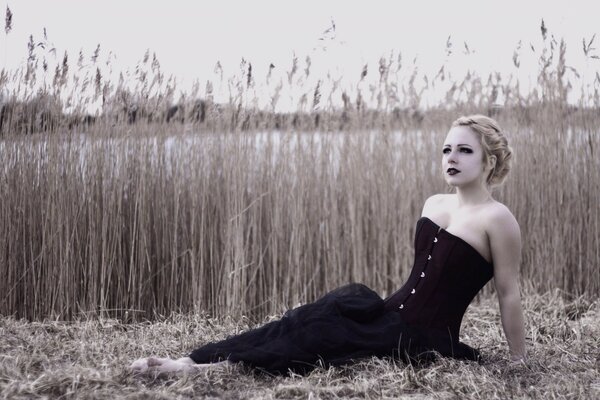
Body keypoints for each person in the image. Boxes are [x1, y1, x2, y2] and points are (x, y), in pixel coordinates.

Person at [130, 114, 527, 375]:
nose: (450, 157)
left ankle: (200, 371)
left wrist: (518, 361)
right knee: (309, 318)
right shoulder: (434, 203)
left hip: (423, 339)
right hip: (390, 313)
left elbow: (509, 295)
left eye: (464, 150)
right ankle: (197, 358)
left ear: (489, 162)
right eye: (446, 149)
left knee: (323, 338)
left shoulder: (498, 220)